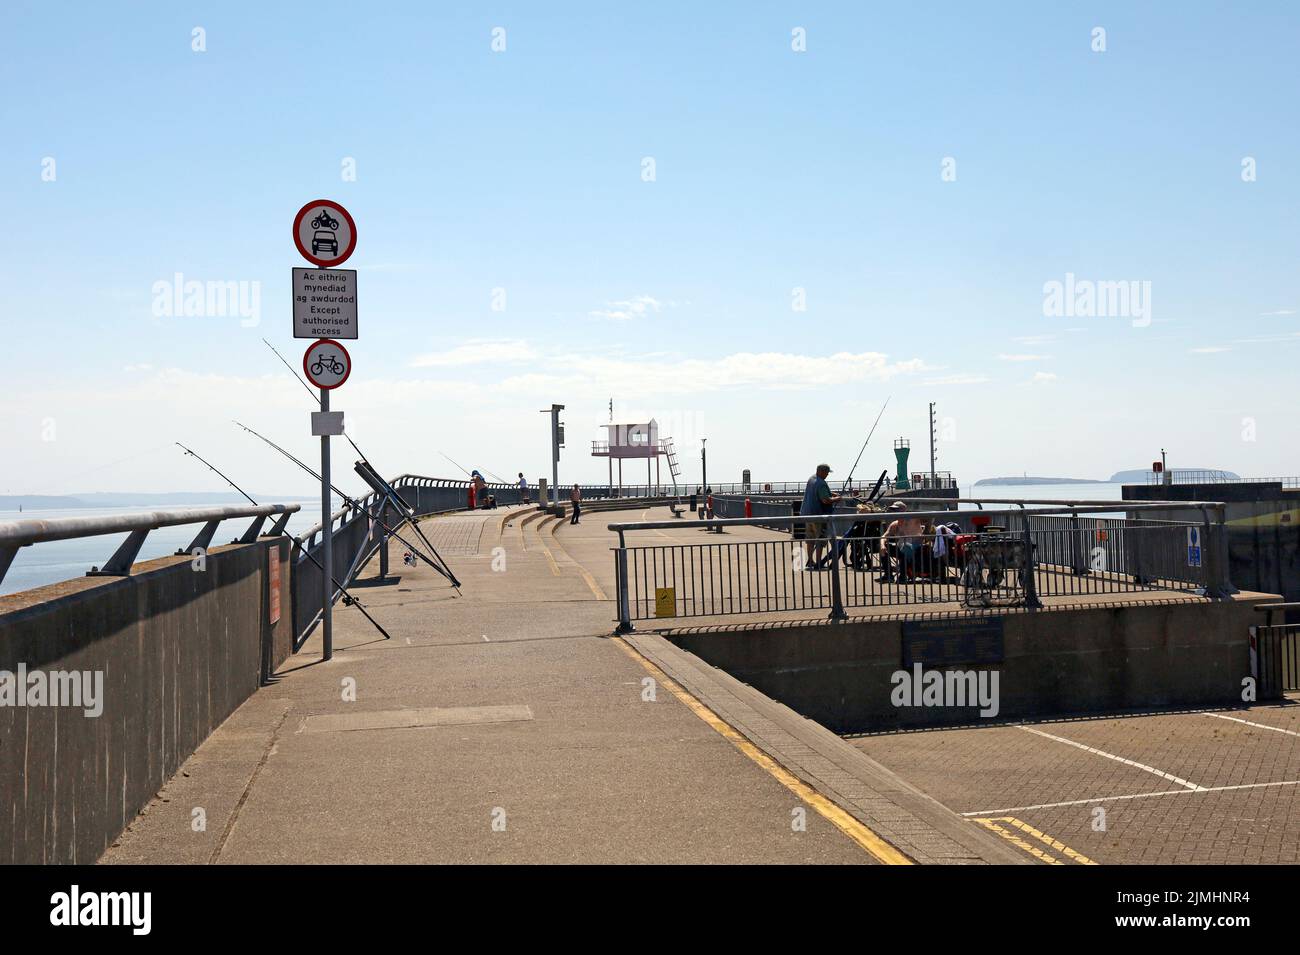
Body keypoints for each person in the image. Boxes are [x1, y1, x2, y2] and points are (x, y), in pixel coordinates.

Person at [799, 464, 841, 569]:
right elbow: (825, 500)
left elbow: (819, 492)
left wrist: (831, 493)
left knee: (810, 539)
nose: (827, 475)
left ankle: (810, 561)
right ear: (821, 471)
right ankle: (818, 563)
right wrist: (837, 499)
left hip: (807, 514)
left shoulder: (811, 479)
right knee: (820, 539)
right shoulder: (821, 483)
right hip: (818, 515)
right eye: (827, 472)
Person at [879, 501, 926, 581]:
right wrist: (882, 545)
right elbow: (884, 536)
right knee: (882, 547)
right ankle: (888, 574)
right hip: (901, 548)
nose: (895, 512)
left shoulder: (913, 519)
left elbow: (930, 518)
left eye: (897, 510)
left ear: (904, 510)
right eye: (894, 510)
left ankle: (903, 576)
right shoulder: (895, 524)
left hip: (916, 547)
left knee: (905, 546)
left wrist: (926, 533)